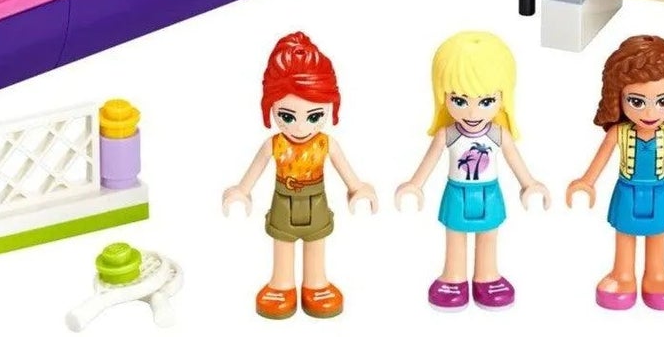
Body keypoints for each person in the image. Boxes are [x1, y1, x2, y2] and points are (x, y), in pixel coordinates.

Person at [223, 32, 377, 320]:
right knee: (282, 244)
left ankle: (316, 283)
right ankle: (281, 284)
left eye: (314, 116)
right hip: (282, 201)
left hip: (316, 201)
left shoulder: (326, 144)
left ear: (331, 107)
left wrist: (357, 188)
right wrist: (242, 191)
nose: (301, 127)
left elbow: (347, 173)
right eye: (288, 117)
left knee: (316, 242)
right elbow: (254, 170)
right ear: (271, 108)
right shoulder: (274, 144)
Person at [395, 31, 551, 308]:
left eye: (486, 101)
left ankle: (487, 277)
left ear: (503, 99)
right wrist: (414, 185)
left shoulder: (499, 134)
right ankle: (453, 278)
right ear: (443, 97)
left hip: (489, 193)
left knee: (489, 236)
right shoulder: (447, 134)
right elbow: (430, 161)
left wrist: (529, 184)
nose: (472, 112)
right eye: (460, 100)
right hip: (456, 192)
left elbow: (515, 160)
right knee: (455, 236)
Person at [565, 34, 664, 310]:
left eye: (663, 101)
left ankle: (656, 276)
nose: (650, 112)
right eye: (637, 102)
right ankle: (622, 275)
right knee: (625, 234)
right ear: (618, 98)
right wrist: (587, 183)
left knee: (658, 233)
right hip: (627, 190)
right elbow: (600, 160)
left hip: (660, 192)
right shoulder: (618, 133)